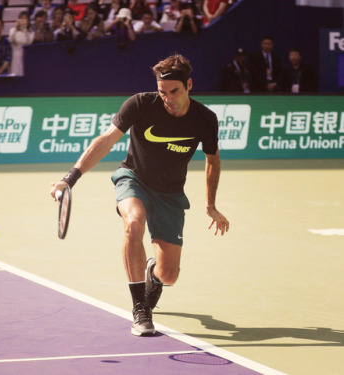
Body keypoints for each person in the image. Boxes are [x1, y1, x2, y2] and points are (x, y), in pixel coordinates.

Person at [49, 53, 229, 336]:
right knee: (134, 222)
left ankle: (153, 276)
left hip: (170, 194)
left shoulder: (205, 119)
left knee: (169, 275)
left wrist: (211, 206)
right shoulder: (141, 104)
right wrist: (70, 178)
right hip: (133, 178)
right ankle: (140, 309)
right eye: (162, 92)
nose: (168, 98)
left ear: (189, 85)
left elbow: (212, 160)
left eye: (174, 91)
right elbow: (106, 141)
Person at [8, 11, 34, 76]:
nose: (23, 21)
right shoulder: (12, 30)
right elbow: (11, 40)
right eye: (21, 19)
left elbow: (29, 43)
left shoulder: (31, 33)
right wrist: (16, 28)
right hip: (15, 55)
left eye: (25, 19)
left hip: (26, 56)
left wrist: (25, 29)